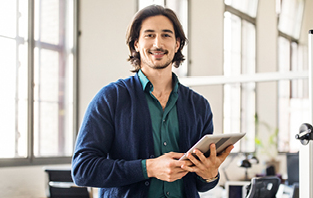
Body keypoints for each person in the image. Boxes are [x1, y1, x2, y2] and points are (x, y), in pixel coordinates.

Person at [71, 5, 234, 197]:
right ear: (136, 44)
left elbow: (201, 185)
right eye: (149, 35)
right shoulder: (110, 98)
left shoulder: (199, 106)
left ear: (177, 44)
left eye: (166, 35)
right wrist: (149, 168)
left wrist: (209, 175)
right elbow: (82, 170)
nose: (158, 44)